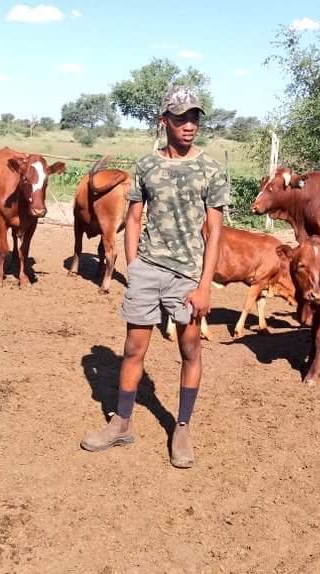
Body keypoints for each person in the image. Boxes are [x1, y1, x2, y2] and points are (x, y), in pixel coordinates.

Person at [80, 86, 229, 469]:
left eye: (194, 117)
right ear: (165, 121)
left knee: (190, 350)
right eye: (181, 118)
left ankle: (181, 427)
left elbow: (215, 233)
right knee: (132, 349)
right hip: (148, 269)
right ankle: (122, 422)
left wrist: (204, 285)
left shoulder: (210, 169)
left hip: (187, 277)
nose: (189, 125)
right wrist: (135, 267)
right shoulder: (146, 165)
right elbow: (133, 219)